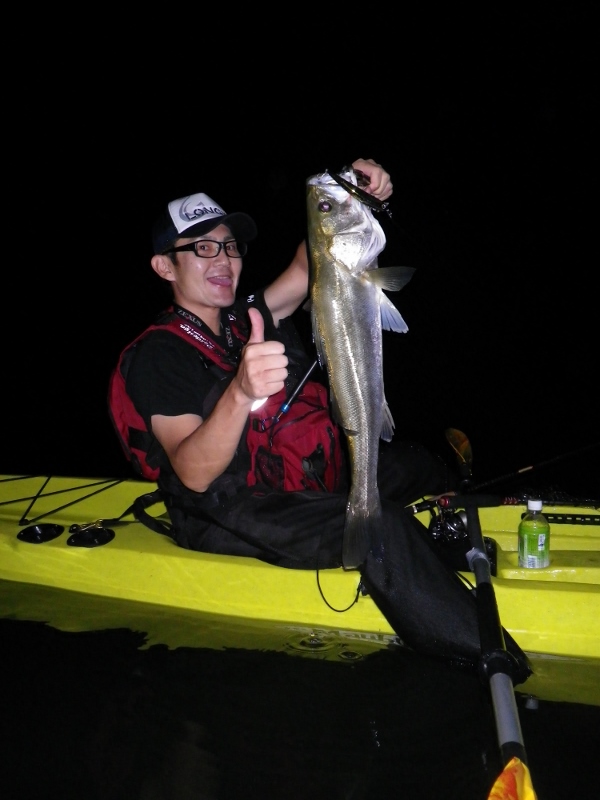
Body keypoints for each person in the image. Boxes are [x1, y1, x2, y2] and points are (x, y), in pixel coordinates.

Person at [109, 158, 530, 680]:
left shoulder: (246, 317)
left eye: (230, 246)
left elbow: (318, 261)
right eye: (202, 248)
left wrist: (357, 193)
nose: (223, 260)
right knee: (382, 525)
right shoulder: (160, 355)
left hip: (294, 478)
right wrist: (240, 392)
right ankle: (493, 658)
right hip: (227, 512)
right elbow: (193, 473)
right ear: (164, 267)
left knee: (417, 466)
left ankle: (461, 538)